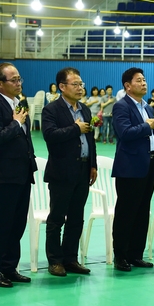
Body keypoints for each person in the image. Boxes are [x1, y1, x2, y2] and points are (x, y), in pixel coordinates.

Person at [0, 62, 36, 288]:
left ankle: (9, 267)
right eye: (13, 80)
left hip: (22, 174)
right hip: (4, 175)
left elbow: (25, 137)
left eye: (19, 79)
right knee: (2, 225)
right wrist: (15, 122)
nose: (18, 83)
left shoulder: (18, 104)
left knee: (17, 224)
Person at [42, 67, 97, 276]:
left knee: (76, 217)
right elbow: (50, 135)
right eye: (75, 84)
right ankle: (55, 260)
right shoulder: (52, 110)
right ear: (62, 87)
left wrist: (93, 165)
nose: (80, 88)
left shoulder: (85, 109)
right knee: (57, 218)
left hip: (83, 170)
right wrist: (75, 128)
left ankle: (70, 258)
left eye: (81, 84)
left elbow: (90, 139)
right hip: (62, 171)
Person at [111, 68, 154, 272]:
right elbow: (124, 133)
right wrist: (146, 126)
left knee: (143, 211)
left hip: (149, 164)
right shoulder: (121, 107)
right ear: (128, 85)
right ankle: (121, 256)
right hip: (130, 167)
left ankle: (136, 254)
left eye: (144, 80)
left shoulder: (148, 107)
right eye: (139, 81)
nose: (144, 83)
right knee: (126, 212)